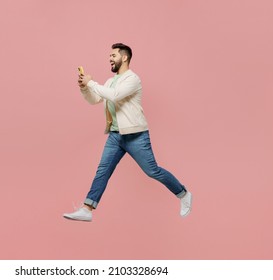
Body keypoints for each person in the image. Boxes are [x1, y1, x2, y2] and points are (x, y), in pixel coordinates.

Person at [63, 43, 192, 222]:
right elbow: (95, 100)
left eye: (113, 55)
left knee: (152, 171)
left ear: (124, 57)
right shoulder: (110, 81)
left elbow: (114, 95)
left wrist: (91, 83)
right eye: (109, 56)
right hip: (115, 135)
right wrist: (85, 88)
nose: (110, 58)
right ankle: (87, 208)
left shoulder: (133, 79)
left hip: (135, 136)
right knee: (103, 170)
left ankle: (183, 194)